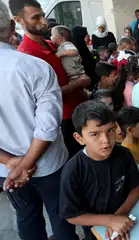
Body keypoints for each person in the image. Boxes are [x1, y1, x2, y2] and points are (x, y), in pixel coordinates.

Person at [0, 2, 78, 239]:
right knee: (61, 216)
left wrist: (12, 163)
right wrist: (25, 165)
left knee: (27, 217)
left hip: (7, 171)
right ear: (14, 25)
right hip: (48, 166)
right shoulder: (35, 67)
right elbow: (47, 128)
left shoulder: (39, 61)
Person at [13, 0, 88, 158]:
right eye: (35, 18)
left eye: (43, 16)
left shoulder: (52, 45)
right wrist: (78, 84)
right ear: (18, 20)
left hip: (77, 108)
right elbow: (43, 95)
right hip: (62, 118)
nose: (43, 22)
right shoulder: (26, 54)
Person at [59, 101, 139, 240]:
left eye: (109, 130)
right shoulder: (73, 171)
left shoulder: (124, 154)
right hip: (97, 230)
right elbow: (72, 216)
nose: (105, 140)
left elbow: (136, 187)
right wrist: (109, 221)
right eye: (94, 134)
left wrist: (118, 216)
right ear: (79, 138)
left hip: (127, 217)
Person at [72, 26, 100, 90]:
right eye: (86, 34)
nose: (89, 36)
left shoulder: (83, 49)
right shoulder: (77, 51)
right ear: (81, 36)